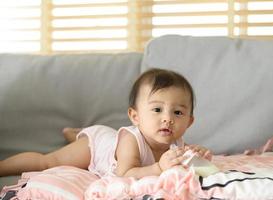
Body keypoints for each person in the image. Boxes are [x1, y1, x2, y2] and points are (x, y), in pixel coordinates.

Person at [0, 68, 212, 179]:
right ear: (135, 116)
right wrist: (158, 168)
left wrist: (196, 156)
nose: (168, 118)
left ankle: (74, 134)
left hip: (110, 140)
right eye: (157, 109)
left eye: (178, 112)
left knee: (103, 137)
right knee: (47, 162)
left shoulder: (176, 141)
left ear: (189, 122)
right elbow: (125, 173)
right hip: (96, 147)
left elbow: (201, 171)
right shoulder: (131, 140)